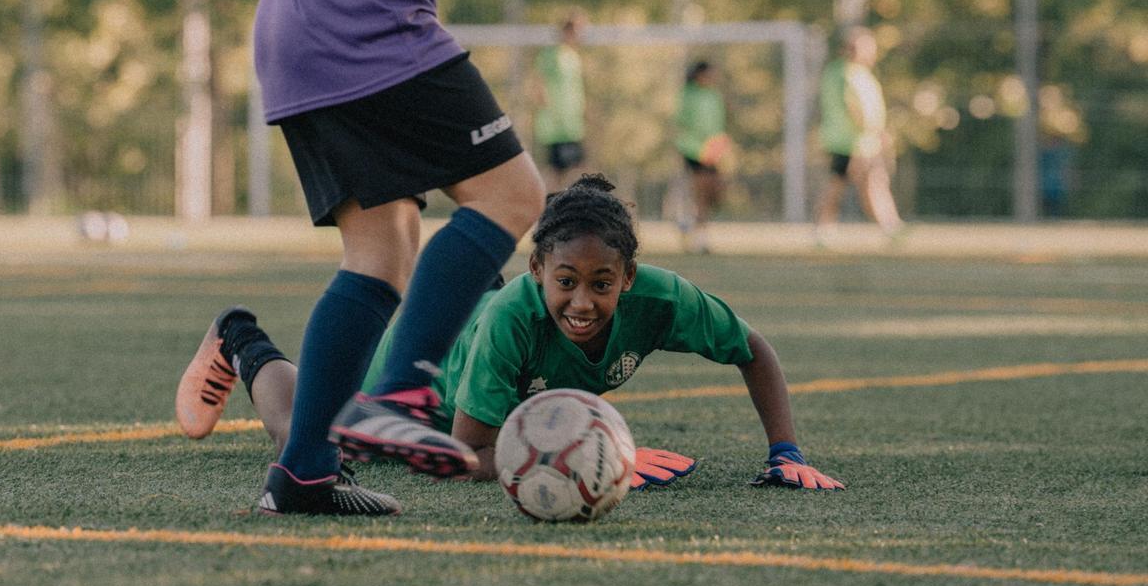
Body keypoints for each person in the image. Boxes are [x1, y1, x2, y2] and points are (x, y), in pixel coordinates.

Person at [177, 176, 843, 515]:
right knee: (308, 429)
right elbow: (465, 453)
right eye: (566, 282)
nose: (583, 302)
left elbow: (751, 349)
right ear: (538, 271)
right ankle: (242, 338)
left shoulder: (664, 300)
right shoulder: (512, 319)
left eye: (602, 284)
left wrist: (785, 452)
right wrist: (602, 461)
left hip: (490, 321)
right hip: (430, 384)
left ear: (629, 278)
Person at [176, 0, 546, 517]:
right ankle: (398, 394)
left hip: (302, 33)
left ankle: (303, 471)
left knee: (382, 250)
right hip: (363, 25)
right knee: (511, 195)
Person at [815, 27, 904, 243]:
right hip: (854, 141)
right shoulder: (846, 74)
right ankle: (890, 227)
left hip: (854, 140)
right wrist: (873, 132)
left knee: (864, 183)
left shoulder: (851, 72)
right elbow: (854, 107)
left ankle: (889, 227)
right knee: (867, 183)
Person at [673, 61, 732, 254]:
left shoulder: (714, 95)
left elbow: (718, 123)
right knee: (702, 195)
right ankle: (700, 239)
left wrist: (719, 144)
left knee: (716, 192)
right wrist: (699, 146)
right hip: (695, 150)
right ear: (699, 74)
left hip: (713, 151)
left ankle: (688, 223)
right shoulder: (688, 94)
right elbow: (683, 123)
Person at [531, 11, 589, 193]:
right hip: (557, 126)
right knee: (556, 170)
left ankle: (566, 202)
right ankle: (546, 203)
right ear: (567, 30)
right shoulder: (551, 54)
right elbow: (539, 84)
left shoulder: (573, 56)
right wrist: (550, 112)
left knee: (574, 167)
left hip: (573, 124)